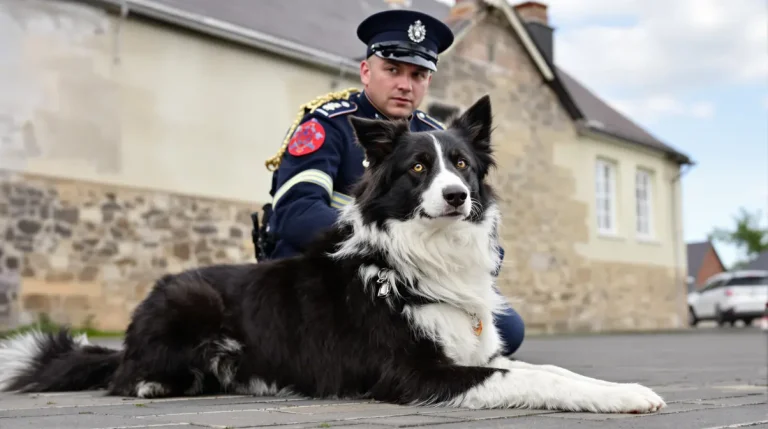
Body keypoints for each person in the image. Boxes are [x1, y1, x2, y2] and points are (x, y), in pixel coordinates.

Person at [253, 9, 525, 356]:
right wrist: (387, 251)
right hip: (330, 269)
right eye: (393, 70)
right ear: (366, 71)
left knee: (508, 329)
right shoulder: (327, 125)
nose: (405, 84)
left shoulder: (436, 135)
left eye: (418, 74)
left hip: (417, 269)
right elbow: (297, 215)